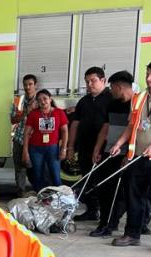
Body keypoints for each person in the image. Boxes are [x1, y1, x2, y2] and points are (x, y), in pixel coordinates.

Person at [109, 60, 151, 254]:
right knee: (134, 196)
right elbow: (132, 126)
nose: (148, 79)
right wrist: (119, 143)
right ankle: (132, 234)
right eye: (147, 74)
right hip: (136, 156)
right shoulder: (138, 98)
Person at [89, 71, 141, 238]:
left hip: (130, 154)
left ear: (119, 87)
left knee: (127, 193)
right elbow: (106, 127)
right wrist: (98, 148)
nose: (110, 90)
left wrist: (128, 153)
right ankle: (106, 224)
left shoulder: (138, 103)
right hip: (111, 152)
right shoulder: (112, 104)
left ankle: (117, 224)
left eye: (112, 87)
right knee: (106, 190)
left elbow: (136, 130)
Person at [68, 67, 112, 221]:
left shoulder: (111, 99)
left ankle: (107, 215)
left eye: (93, 81)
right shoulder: (84, 101)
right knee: (87, 179)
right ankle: (92, 210)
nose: (89, 84)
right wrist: (71, 147)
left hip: (104, 150)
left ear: (103, 80)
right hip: (84, 147)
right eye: (87, 82)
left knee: (103, 181)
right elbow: (75, 124)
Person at [23, 89, 69, 192]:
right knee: (38, 176)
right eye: (39, 100)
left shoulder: (59, 112)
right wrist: (25, 151)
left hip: (53, 148)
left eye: (45, 99)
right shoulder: (34, 114)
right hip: (35, 149)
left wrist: (64, 148)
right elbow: (26, 133)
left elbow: (65, 131)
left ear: (50, 99)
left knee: (56, 176)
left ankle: (59, 198)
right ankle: (42, 199)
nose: (42, 102)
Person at [10, 74, 38, 195]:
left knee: (36, 167)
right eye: (25, 85)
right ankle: (20, 193)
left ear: (35, 85)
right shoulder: (18, 101)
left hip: (35, 140)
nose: (27, 87)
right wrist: (25, 112)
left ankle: (39, 192)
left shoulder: (41, 99)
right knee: (19, 169)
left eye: (30, 84)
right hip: (19, 138)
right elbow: (13, 120)